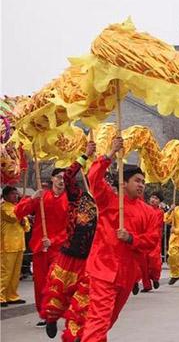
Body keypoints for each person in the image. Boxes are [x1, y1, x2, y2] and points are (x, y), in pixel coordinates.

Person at [81, 136, 160, 341]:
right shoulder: (108, 200)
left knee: (107, 320)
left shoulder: (149, 212)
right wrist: (110, 154)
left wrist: (132, 239)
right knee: (99, 320)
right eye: (137, 181)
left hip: (126, 275)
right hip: (103, 269)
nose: (141, 185)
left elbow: (152, 240)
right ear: (123, 183)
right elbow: (94, 178)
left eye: (143, 182)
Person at [40, 142, 97, 340]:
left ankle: (74, 336)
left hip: (88, 260)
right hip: (69, 254)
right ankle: (51, 318)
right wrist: (86, 155)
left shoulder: (107, 204)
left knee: (82, 302)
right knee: (58, 293)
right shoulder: (77, 196)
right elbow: (68, 176)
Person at [15, 165, 69, 327]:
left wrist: (54, 240)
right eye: (58, 177)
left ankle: (56, 311)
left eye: (65, 178)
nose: (61, 181)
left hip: (59, 248)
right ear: (52, 179)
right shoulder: (41, 196)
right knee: (40, 283)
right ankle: (44, 313)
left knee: (56, 281)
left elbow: (70, 228)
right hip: (40, 247)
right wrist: (32, 199)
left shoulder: (70, 201)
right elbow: (18, 212)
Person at [1, 186, 30, 307]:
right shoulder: (3, 208)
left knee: (15, 273)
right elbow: (13, 218)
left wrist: (24, 220)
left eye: (16, 194)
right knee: (5, 272)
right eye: (13, 194)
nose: (16, 196)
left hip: (19, 245)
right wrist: (22, 210)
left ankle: (12, 295)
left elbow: (27, 226)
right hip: (7, 245)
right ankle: (1, 296)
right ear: (6, 196)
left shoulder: (17, 207)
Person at [139, 191, 164, 292]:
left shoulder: (160, 212)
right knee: (144, 262)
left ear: (159, 202)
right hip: (144, 238)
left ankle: (155, 277)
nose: (153, 200)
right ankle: (147, 285)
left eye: (156, 199)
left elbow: (156, 224)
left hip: (155, 239)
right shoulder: (145, 209)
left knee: (154, 260)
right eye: (152, 198)